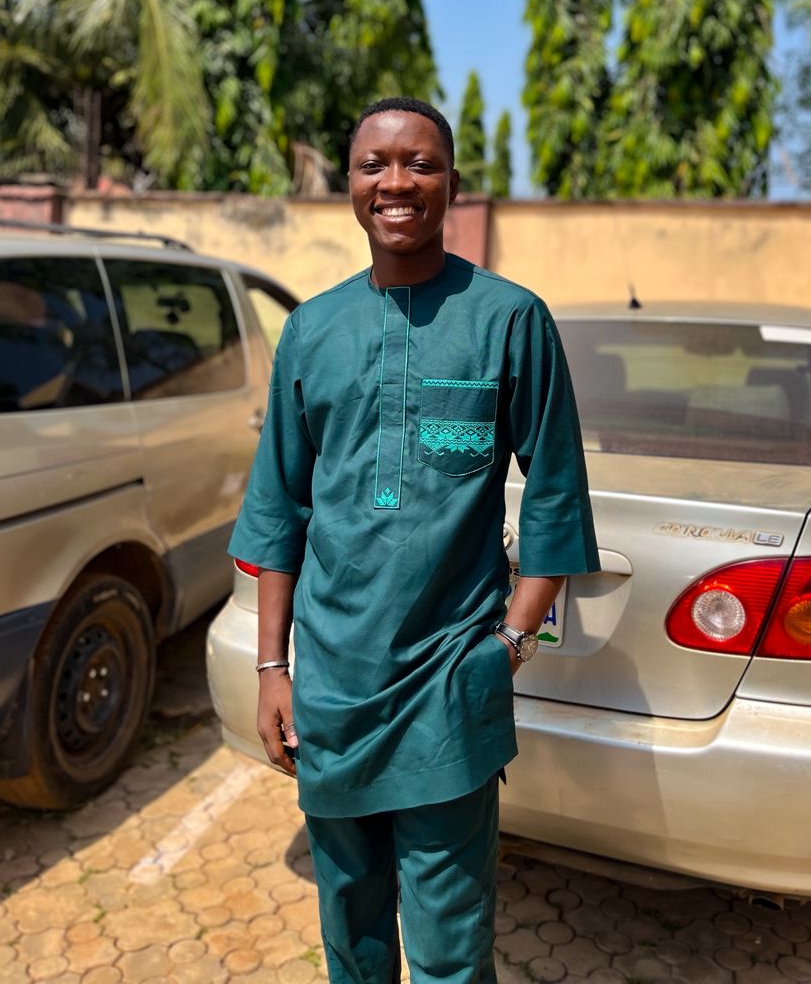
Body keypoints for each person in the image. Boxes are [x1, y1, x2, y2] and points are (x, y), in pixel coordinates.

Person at [229, 96, 598, 984]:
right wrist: (273, 670)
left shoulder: (510, 320)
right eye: (375, 165)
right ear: (351, 187)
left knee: (448, 939)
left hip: (448, 691)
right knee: (350, 928)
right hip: (332, 687)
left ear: (452, 185)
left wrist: (508, 644)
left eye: (420, 164)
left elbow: (556, 501)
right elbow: (280, 511)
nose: (397, 183)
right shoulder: (312, 332)